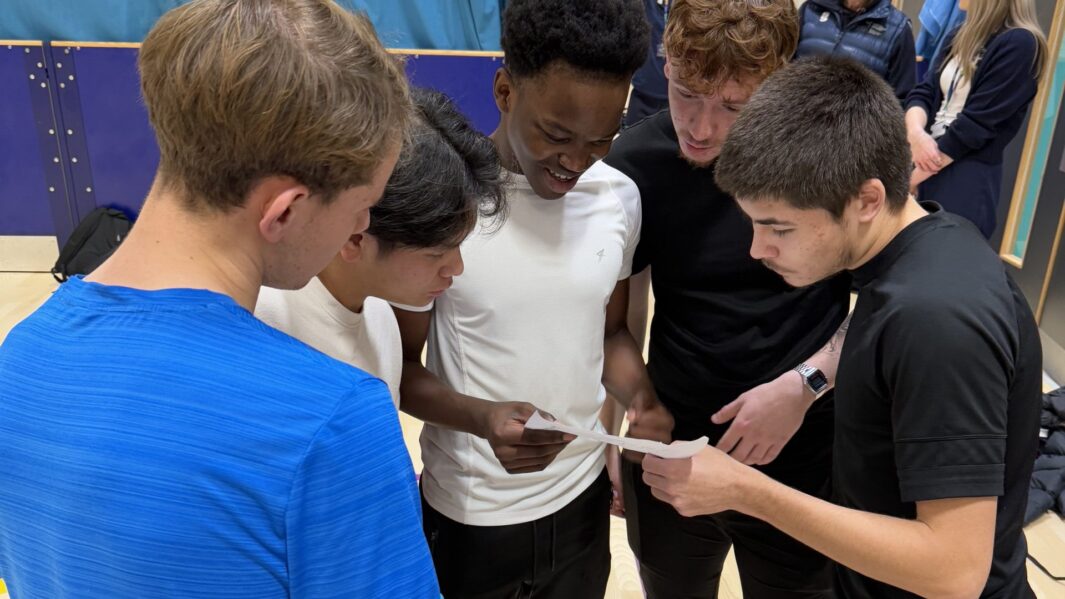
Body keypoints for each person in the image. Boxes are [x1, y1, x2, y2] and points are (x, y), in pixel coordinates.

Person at [0, 1, 439, 597]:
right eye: (363, 208)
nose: (360, 225)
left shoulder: (19, 357)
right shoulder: (331, 421)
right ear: (284, 211)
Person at [646, 55, 1042, 599]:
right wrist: (809, 381)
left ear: (866, 199)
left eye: (777, 228)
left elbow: (955, 570)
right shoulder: (924, 242)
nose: (758, 249)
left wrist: (746, 491)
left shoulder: (936, 321)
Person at [394, 0, 673, 597]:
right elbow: (397, 373)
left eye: (601, 139)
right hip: (473, 518)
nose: (575, 163)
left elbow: (611, 332)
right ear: (503, 90)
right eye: (556, 135)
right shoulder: (446, 204)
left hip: (581, 503)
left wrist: (643, 399)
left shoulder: (618, 198)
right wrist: (480, 418)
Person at [603, 1, 850, 596]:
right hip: (675, 446)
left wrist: (805, 386)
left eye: (733, 105)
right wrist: (619, 430)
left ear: (779, 80)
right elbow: (621, 319)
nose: (701, 126)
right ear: (664, 61)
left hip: (804, 450)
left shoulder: (832, 153)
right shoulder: (636, 164)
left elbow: (886, 298)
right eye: (686, 92)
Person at [256, 88, 506, 409]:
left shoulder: (382, 321)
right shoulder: (264, 321)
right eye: (435, 254)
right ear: (356, 236)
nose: (455, 268)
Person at [906, 0, 1047, 239]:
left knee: (942, 260)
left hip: (963, 177)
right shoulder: (960, 34)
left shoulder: (1021, 43)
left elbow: (974, 128)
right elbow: (923, 92)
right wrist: (916, 134)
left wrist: (912, 177)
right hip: (924, 160)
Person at [795, 0, 917, 103]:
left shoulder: (898, 30)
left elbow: (903, 101)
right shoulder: (811, 8)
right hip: (796, 120)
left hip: (853, 127)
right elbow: (785, 66)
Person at [624, 0, 670, 127]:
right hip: (642, 95)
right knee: (632, 141)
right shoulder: (646, 5)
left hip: (672, 98)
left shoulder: (683, 7)